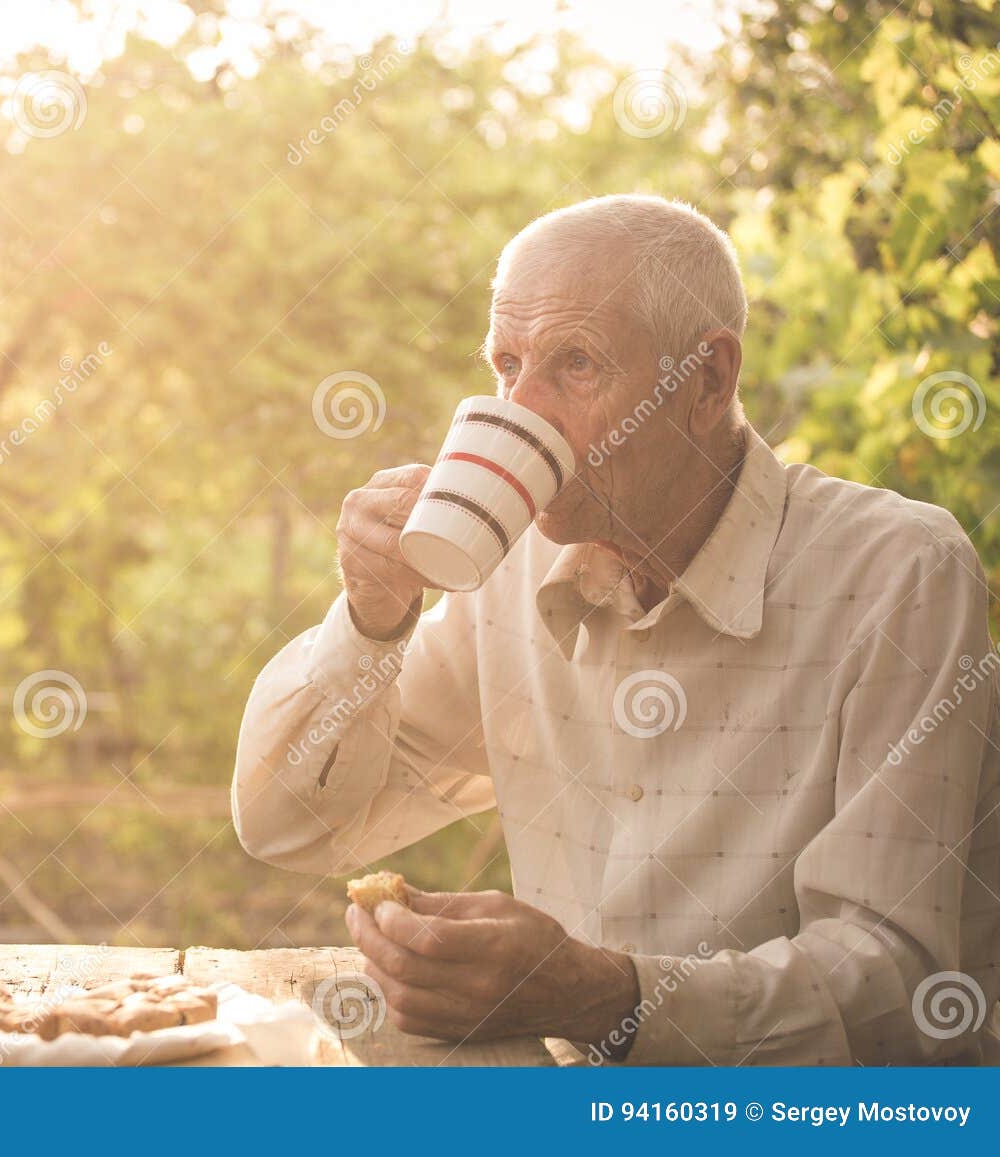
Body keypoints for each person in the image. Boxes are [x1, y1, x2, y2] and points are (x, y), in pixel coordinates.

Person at [232, 194, 1000, 1064]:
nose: (522, 411)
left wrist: (609, 995)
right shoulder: (510, 564)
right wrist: (372, 622)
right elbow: (288, 826)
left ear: (707, 379)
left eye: (576, 365)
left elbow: (898, 986)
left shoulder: (897, 572)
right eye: (506, 365)